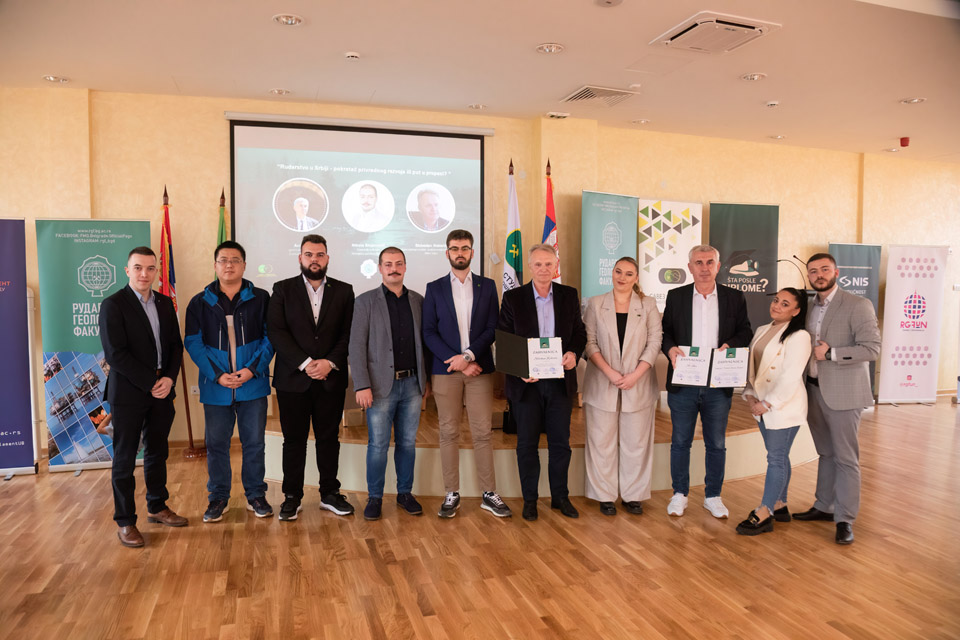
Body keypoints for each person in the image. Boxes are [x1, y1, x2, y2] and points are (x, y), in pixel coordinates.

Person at [98, 246, 187, 547]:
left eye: (150, 268)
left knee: (157, 451)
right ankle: (125, 521)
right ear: (127, 270)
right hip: (129, 392)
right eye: (138, 268)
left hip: (162, 389)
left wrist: (169, 379)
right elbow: (115, 354)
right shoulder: (113, 304)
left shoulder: (164, 303)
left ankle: (157, 506)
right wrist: (152, 382)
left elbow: (175, 346)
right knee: (124, 458)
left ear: (157, 271)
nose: (144, 274)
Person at [793, 253, 881, 545]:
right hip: (813, 389)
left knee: (846, 458)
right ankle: (824, 505)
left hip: (844, 393)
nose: (819, 275)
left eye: (824, 269)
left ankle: (845, 519)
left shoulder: (858, 304)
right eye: (813, 271)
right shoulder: (807, 306)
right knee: (826, 453)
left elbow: (872, 348)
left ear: (836, 272)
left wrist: (831, 353)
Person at [184, 240, 275, 523]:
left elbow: (271, 338)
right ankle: (218, 498)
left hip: (252, 385)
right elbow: (193, 343)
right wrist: (218, 375)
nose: (229, 265)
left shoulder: (261, 298)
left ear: (244, 265)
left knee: (254, 444)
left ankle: (255, 495)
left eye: (235, 260)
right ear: (215, 266)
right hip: (216, 387)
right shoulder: (199, 303)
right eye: (223, 260)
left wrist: (251, 370)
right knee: (216, 445)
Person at [422, 230, 511, 518]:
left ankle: (488, 493)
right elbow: (428, 331)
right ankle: (451, 493)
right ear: (446, 252)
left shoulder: (488, 286)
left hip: (478, 369)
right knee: (448, 431)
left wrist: (469, 356)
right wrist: (459, 361)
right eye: (454, 248)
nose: (459, 253)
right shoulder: (434, 288)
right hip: (446, 369)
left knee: (482, 432)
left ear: (472, 252)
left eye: (464, 248)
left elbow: (492, 327)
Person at [267, 234, 356, 521]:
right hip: (293, 380)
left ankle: (330, 493)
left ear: (327, 258)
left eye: (319, 255)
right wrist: (306, 363)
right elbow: (276, 332)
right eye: (309, 254)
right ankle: (292, 497)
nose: (314, 259)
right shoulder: (282, 289)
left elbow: (348, 333)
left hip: (330, 379)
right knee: (294, 440)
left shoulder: (344, 291)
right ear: (300, 258)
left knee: (329, 439)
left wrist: (329, 362)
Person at [661, 244, 753, 519]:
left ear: (718, 266)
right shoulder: (676, 296)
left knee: (716, 443)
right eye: (698, 263)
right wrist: (670, 348)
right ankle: (679, 494)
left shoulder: (734, 297)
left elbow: (745, 331)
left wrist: (730, 345)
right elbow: (665, 332)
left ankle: (713, 496)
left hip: (718, 382)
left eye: (709, 262)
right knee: (680, 442)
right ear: (690, 267)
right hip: (684, 382)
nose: (704, 267)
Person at [497, 243, 586, 521]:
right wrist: (519, 369)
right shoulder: (513, 298)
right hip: (527, 385)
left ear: (556, 266)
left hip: (559, 383)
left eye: (549, 264)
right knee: (527, 445)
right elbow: (504, 339)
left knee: (561, 444)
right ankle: (530, 500)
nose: (544, 269)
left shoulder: (569, 295)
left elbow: (579, 333)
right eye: (538, 264)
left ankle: (560, 497)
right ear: (530, 267)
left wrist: (573, 353)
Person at [350, 247, 430, 521]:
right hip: (379, 387)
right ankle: (374, 497)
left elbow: (425, 344)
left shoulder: (418, 301)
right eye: (388, 264)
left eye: (398, 264)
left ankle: (404, 493)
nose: (393, 268)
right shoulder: (365, 302)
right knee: (378, 445)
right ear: (380, 268)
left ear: (405, 267)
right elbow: (356, 346)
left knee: (407, 443)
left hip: (412, 385)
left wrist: (426, 380)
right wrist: (361, 385)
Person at [581, 257, 662, 516]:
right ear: (612, 273)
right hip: (601, 381)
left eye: (628, 274)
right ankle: (604, 496)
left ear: (636, 278)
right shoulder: (595, 303)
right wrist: (609, 372)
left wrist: (635, 375)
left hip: (639, 383)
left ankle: (633, 495)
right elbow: (589, 342)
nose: (622, 277)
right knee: (601, 442)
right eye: (618, 272)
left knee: (636, 443)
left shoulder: (648, 305)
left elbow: (655, 342)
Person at [735, 288, 811, 535]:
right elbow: (754, 368)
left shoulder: (799, 336)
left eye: (785, 304)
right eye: (776, 300)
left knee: (776, 458)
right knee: (779, 456)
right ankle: (780, 504)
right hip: (761, 404)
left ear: (796, 311)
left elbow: (791, 376)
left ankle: (764, 511)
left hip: (782, 406)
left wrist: (768, 403)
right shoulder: (762, 329)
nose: (777, 305)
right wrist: (750, 394)